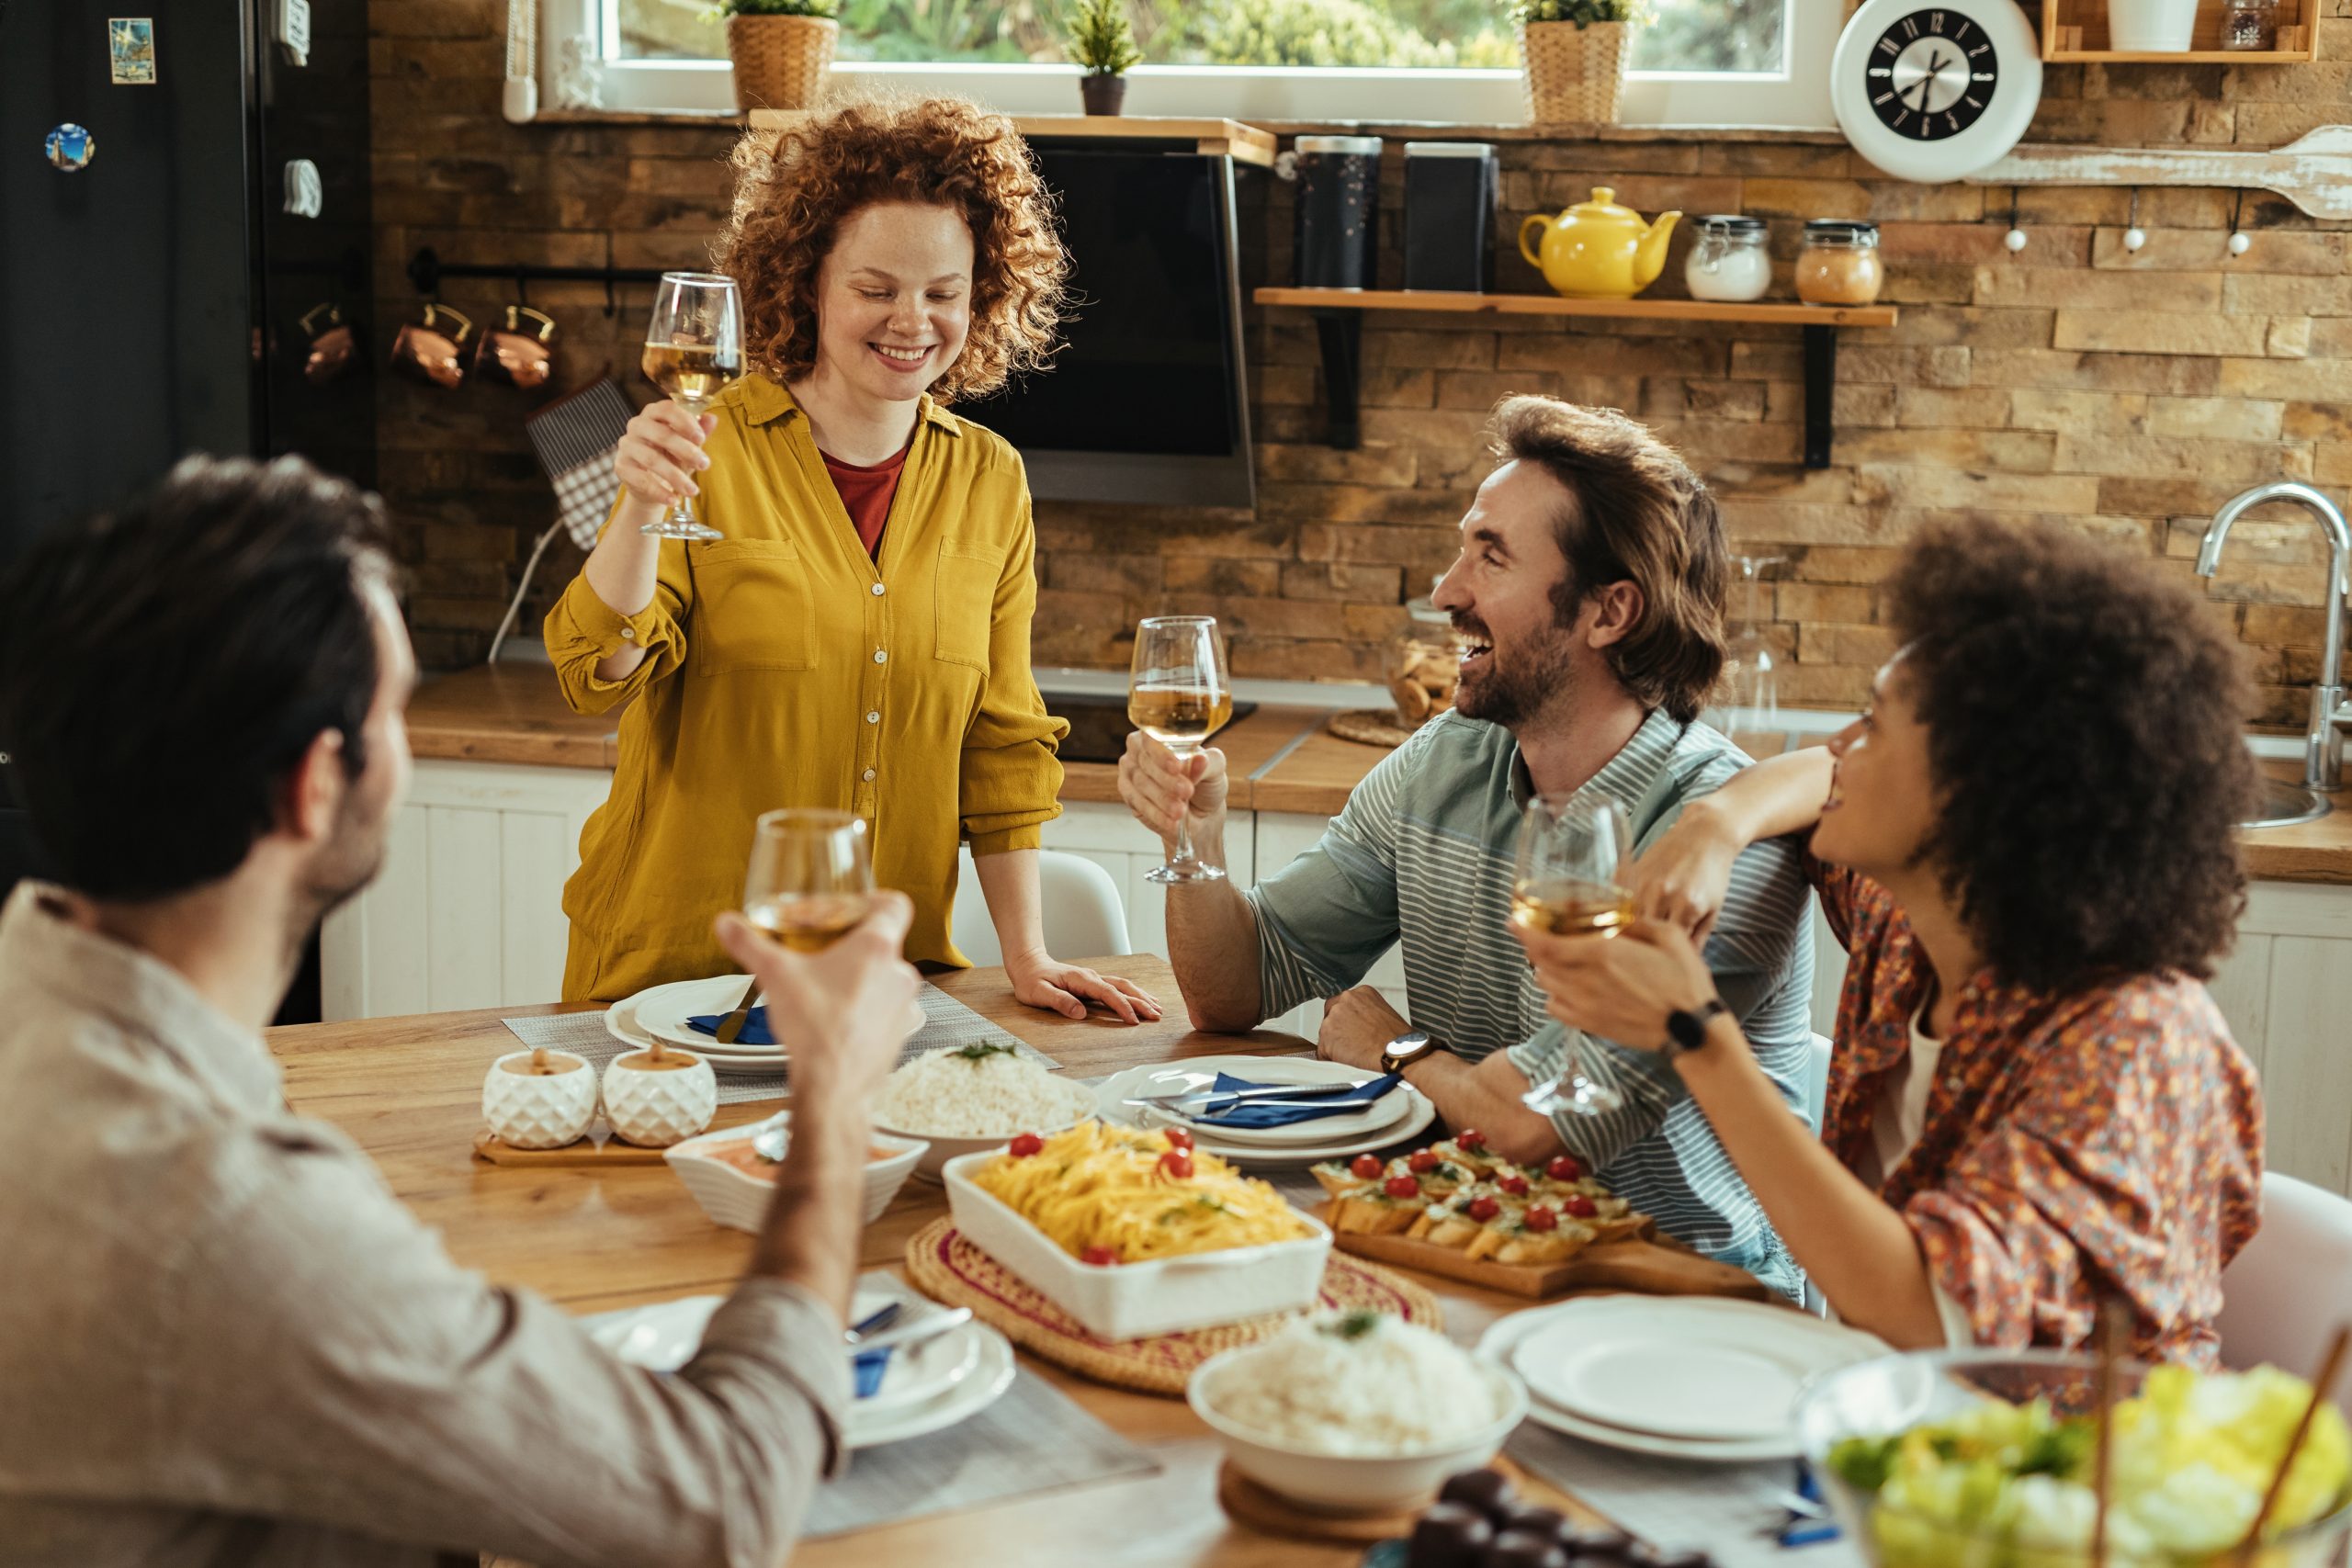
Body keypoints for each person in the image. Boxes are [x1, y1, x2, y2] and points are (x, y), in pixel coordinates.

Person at [0, 455, 925, 1566]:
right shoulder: (225, 1218)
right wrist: (831, 1102)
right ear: (314, 784)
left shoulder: (38, 1010)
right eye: (397, 710)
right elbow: (722, 1501)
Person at [1120, 396, 1815, 1296]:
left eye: (1491, 557)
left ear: (1608, 612)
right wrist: (1196, 834)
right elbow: (1236, 986)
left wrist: (1401, 1050)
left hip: (1686, 1297)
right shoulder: (1448, 757)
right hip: (1478, 1252)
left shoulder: (1712, 847)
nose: (1446, 592)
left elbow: (1534, 1125)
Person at [1521, 520, 2264, 1363]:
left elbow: (1932, 1313)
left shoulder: (2138, 1043)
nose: (1839, 746)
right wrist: (1716, 821)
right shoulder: (1913, 929)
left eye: (1873, 724)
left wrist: (1695, 1032)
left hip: (2069, 1444)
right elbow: (1811, 780)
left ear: (1979, 789)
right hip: (1879, 1410)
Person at [546, 96, 1156, 1023]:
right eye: (876, 289)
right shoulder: (704, 447)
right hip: (673, 982)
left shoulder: (990, 479)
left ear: (982, 296)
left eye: (943, 293)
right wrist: (639, 504)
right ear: (807, 284)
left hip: (882, 992)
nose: (913, 321)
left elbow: (1001, 743)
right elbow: (599, 669)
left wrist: (1028, 955)